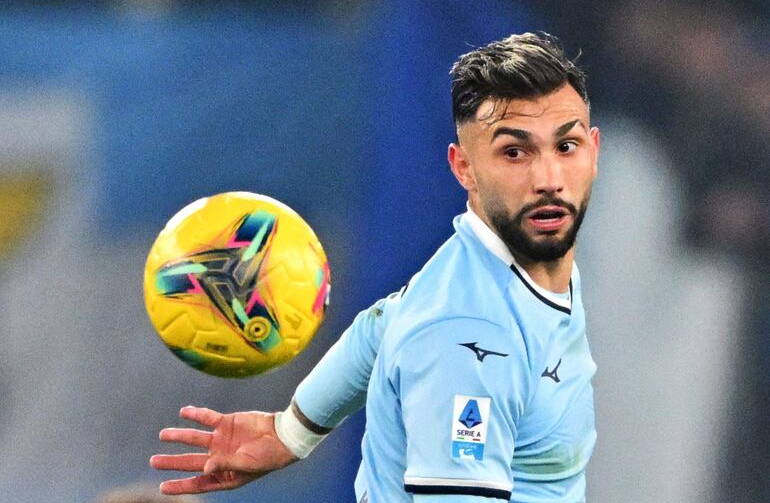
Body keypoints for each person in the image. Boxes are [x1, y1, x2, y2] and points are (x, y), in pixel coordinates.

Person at [151, 32, 600, 503]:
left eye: (565, 147)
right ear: (463, 167)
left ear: (593, 149)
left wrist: (291, 432)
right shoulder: (469, 338)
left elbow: (378, 328)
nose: (548, 179)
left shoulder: (512, 263)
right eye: (514, 152)